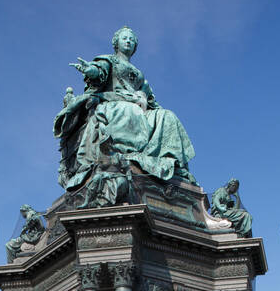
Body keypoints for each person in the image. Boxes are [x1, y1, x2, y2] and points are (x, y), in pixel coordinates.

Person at [55, 27, 195, 190]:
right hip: (114, 102)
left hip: (139, 106)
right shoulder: (109, 61)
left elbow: (149, 97)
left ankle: (170, 164)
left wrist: (143, 96)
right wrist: (91, 71)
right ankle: (122, 156)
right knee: (129, 111)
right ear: (116, 43)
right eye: (124, 38)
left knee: (168, 116)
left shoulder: (139, 74)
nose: (128, 41)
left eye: (131, 39)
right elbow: (99, 73)